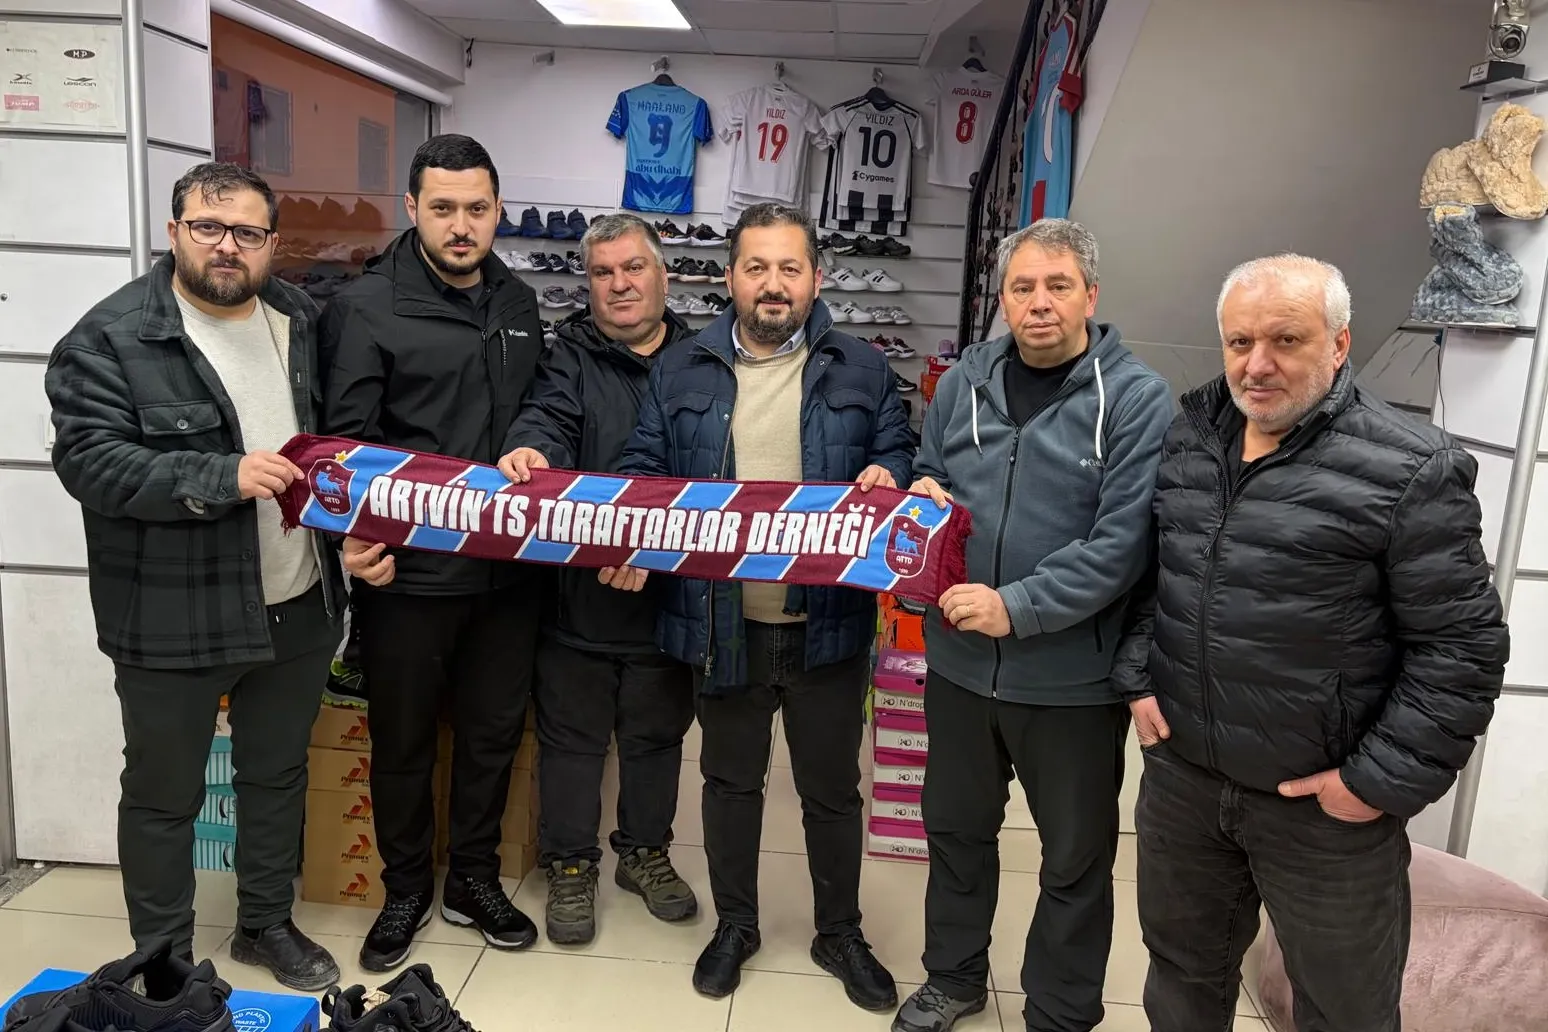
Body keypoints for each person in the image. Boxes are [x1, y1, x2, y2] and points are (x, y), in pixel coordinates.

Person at [1113, 254, 1509, 1032]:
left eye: (1285, 340)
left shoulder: (1411, 466)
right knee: (1182, 981)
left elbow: (1461, 651)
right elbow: (1155, 576)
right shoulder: (1191, 438)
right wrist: (1139, 675)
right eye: (1239, 342)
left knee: (1344, 1011)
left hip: (1323, 814)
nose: (1256, 365)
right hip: (1186, 785)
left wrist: (1374, 783)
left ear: (1339, 343)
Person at [45, 162, 343, 989]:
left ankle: (265, 924)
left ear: (273, 243)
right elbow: (89, 463)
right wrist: (220, 475)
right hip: (173, 612)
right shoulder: (109, 338)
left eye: (247, 232)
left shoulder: (299, 318)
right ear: (175, 231)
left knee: (276, 776)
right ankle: (165, 956)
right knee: (162, 793)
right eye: (208, 227)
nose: (227, 246)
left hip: (298, 598)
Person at [609, 202, 915, 1009]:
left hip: (829, 626)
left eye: (789, 268)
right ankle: (736, 925)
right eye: (756, 267)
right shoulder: (682, 368)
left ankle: (839, 932)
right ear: (730, 277)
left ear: (816, 277)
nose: (772, 284)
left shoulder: (864, 369)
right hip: (722, 623)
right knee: (729, 783)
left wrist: (888, 475)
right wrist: (629, 531)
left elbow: (898, 451)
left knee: (831, 792)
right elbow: (644, 467)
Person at [897, 219, 1173, 1032]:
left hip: (1071, 681)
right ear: (1004, 298)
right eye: (1022, 287)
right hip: (958, 667)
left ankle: (1060, 1010)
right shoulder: (964, 381)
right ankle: (952, 978)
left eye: (1058, 286)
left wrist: (1014, 607)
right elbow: (932, 471)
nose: (1039, 303)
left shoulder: (1136, 398)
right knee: (956, 833)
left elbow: (1122, 545)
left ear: (1091, 294)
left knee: (1075, 858)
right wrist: (923, 496)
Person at [319, 134, 547, 970]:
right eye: (443, 208)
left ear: (497, 210)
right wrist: (353, 534)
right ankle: (406, 886)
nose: (461, 226)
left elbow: (537, 410)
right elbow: (345, 442)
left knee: (491, 735)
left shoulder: (518, 300)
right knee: (404, 741)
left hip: (510, 573)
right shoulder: (365, 306)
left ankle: (473, 880)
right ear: (412, 208)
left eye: (476, 209)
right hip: (407, 576)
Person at [497, 213, 698, 946]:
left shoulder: (704, 360)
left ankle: (644, 854)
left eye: (633, 268)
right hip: (580, 594)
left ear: (662, 275)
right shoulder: (567, 357)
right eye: (603, 273)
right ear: (588, 284)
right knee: (572, 742)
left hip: (670, 595)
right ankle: (571, 865)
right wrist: (530, 448)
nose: (619, 284)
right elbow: (545, 419)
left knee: (656, 737)